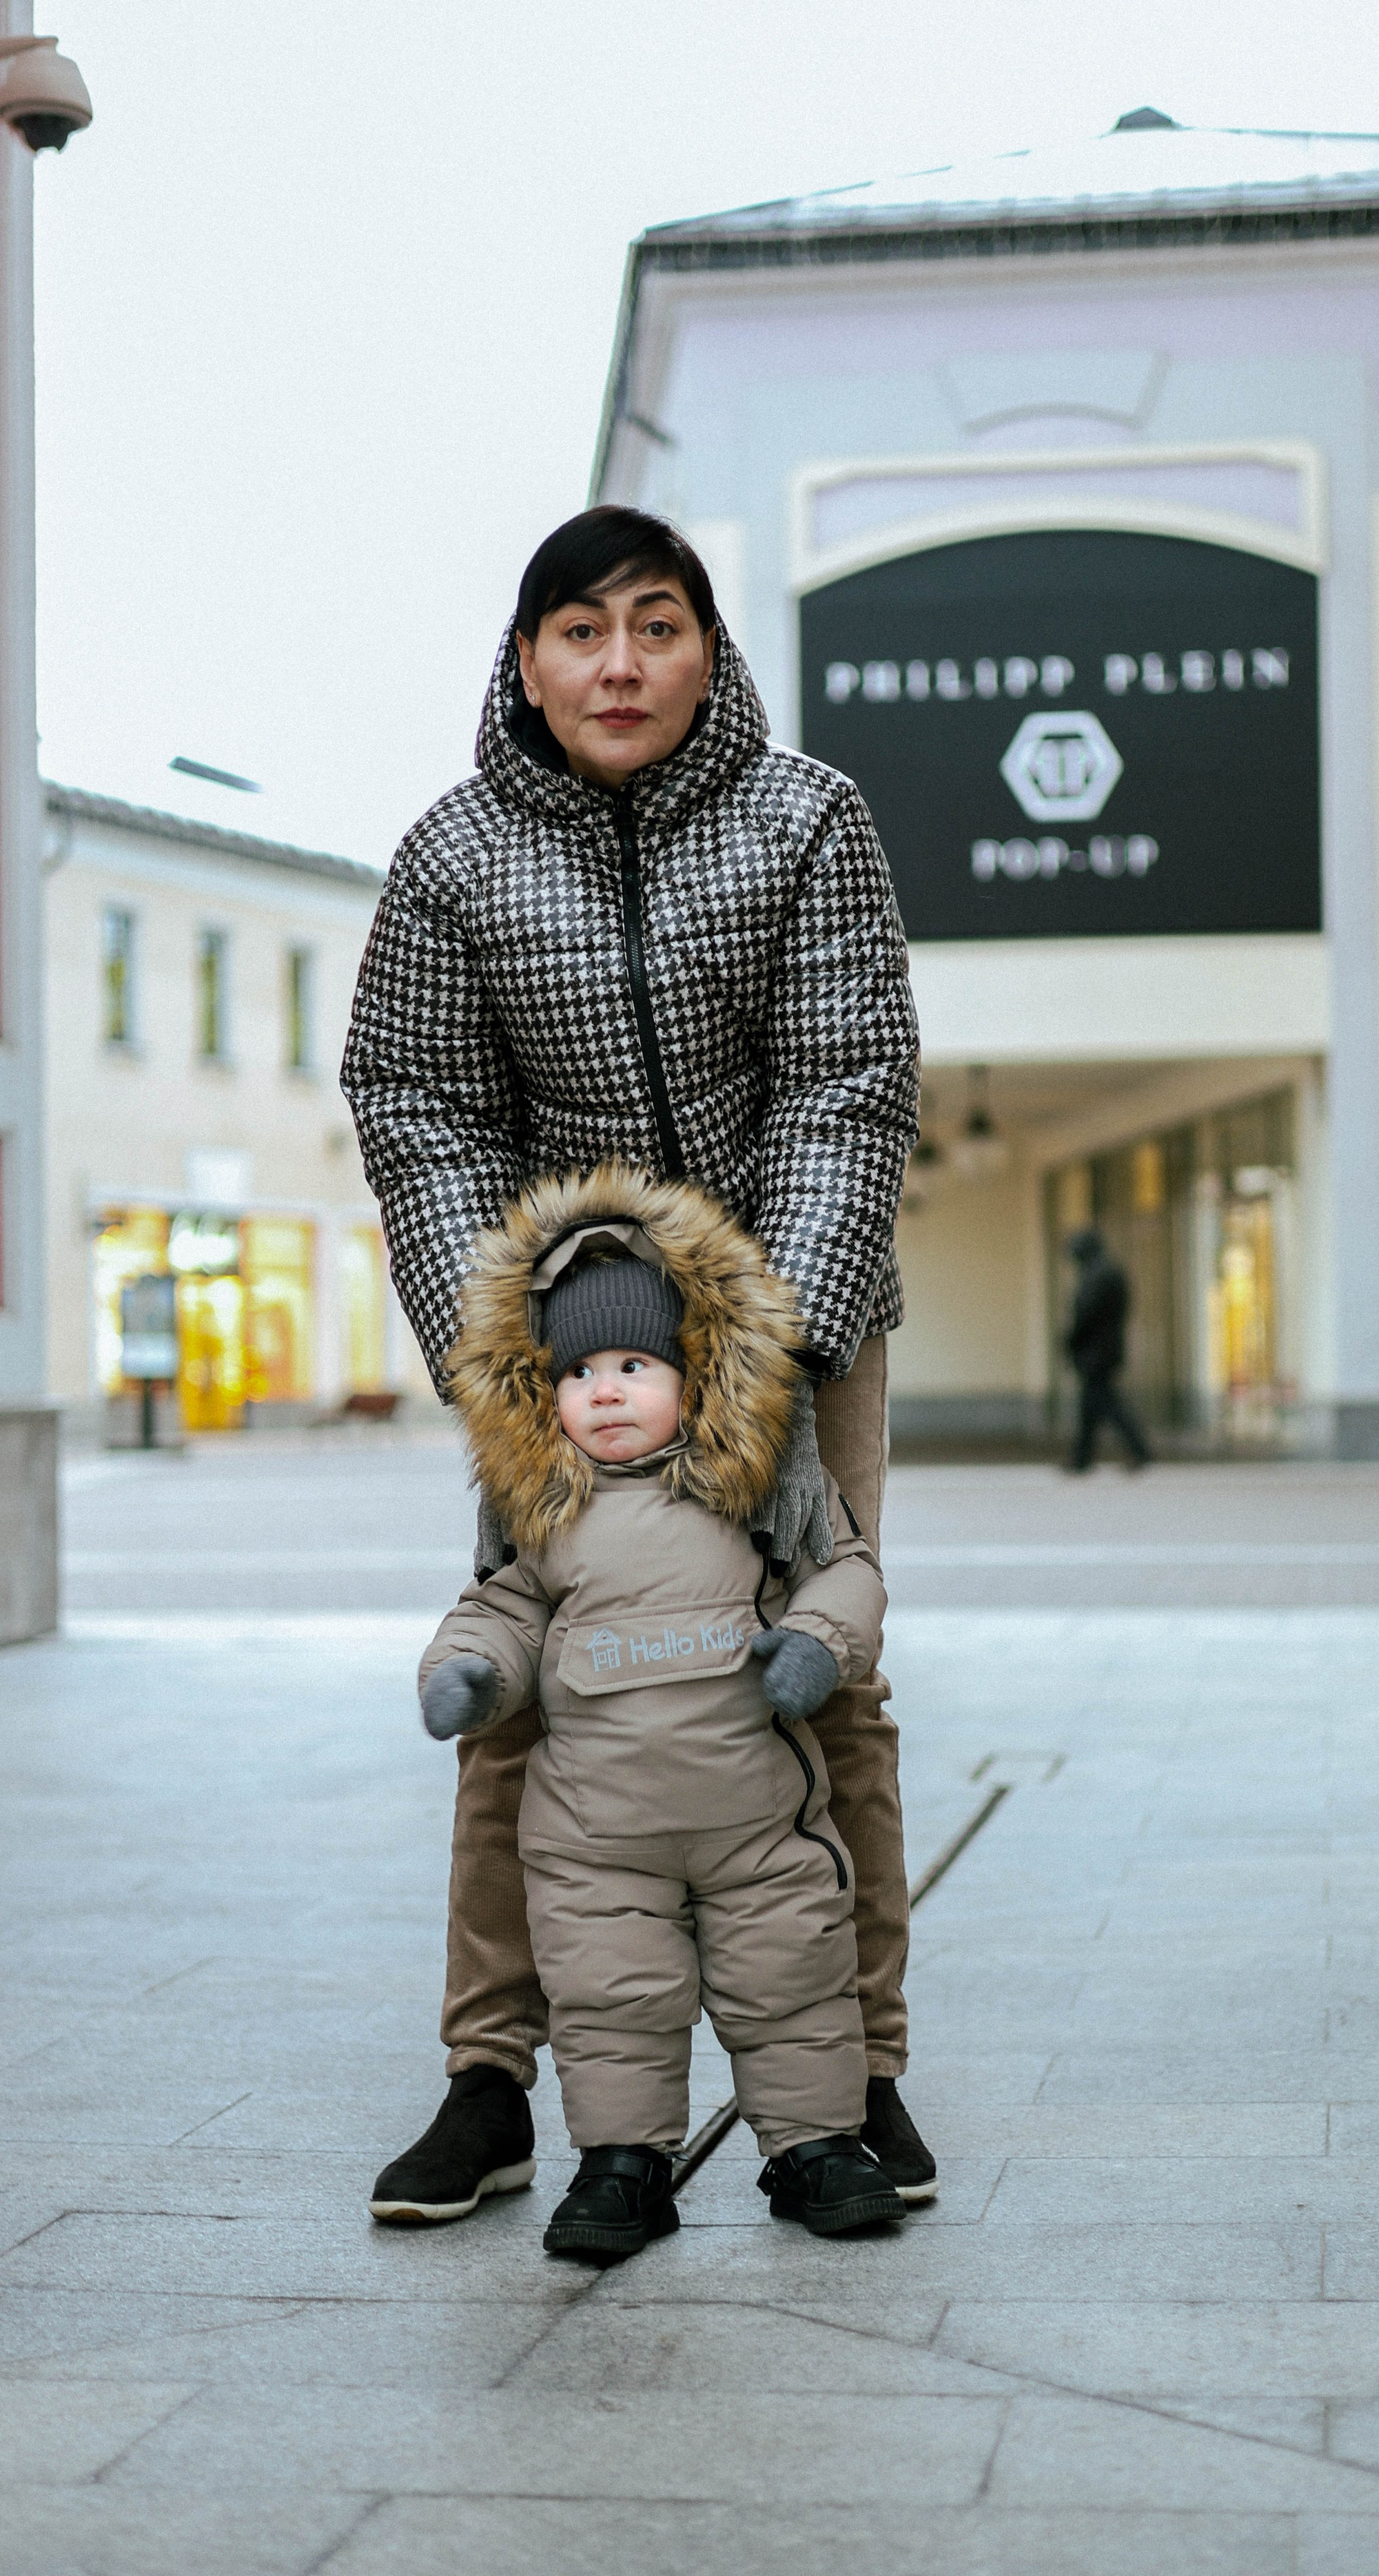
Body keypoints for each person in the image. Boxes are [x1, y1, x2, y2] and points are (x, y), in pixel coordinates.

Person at [341, 504, 934, 2220]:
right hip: (561, 1350)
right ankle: (488, 2079)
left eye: (655, 624)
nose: (619, 663)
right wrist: (502, 1343)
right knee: (527, 1683)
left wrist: (772, 1345)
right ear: (523, 664)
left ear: (705, 646)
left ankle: (857, 2067)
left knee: (829, 1672)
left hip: (798, 1325)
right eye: (580, 631)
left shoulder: (808, 817)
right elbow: (418, 1101)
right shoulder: (451, 856)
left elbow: (848, 1076)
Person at [402, 1171, 906, 2258]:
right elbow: (501, 1613)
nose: (608, 1391)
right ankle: (622, 2164)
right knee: (610, 1996)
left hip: (755, 1823)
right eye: (579, 1373)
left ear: (697, 1375)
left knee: (791, 1977)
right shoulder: (547, 1518)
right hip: (596, 1840)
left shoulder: (757, 1490)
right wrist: (469, 1676)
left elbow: (847, 1574)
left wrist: (817, 1647)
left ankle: (816, 2144)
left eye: (636, 1366)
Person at [1065, 1227, 1152, 1473]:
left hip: (1098, 1350)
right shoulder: (1106, 1272)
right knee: (1092, 1403)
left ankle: (1138, 1449)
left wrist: (1073, 1340)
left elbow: (1086, 1314)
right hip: (1104, 1348)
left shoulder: (1099, 1275)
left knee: (1106, 1403)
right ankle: (1083, 1456)